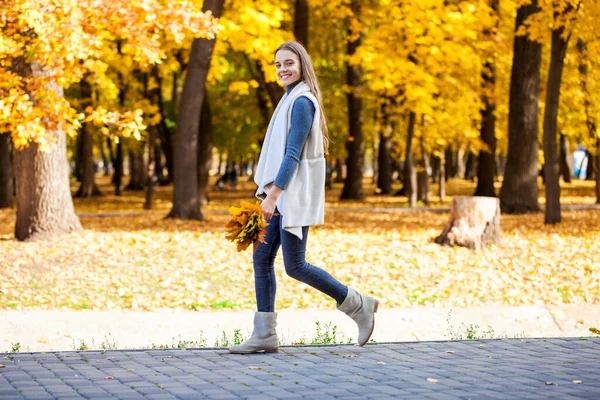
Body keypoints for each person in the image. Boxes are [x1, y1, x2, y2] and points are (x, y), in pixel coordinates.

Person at [229, 41, 379, 354]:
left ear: (302, 65)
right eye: (278, 64)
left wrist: (273, 195)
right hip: (283, 194)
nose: (283, 69)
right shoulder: (289, 98)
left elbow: (292, 154)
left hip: (289, 195)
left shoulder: (301, 102)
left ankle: (357, 304)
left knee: (295, 265)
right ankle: (265, 334)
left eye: (289, 63)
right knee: (262, 259)